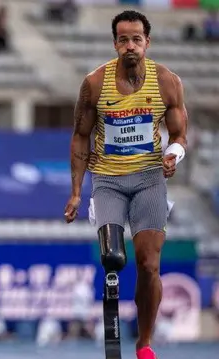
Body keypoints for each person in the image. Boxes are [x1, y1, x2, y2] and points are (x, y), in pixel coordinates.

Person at [64, 10, 187, 359]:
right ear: (114, 43)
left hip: (149, 178)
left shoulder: (166, 81)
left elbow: (180, 134)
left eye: (136, 39)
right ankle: (112, 311)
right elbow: (80, 137)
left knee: (149, 264)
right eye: (123, 39)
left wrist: (174, 154)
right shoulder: (93, 83)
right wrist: (75, 192)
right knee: (113, 257)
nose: (130, 45)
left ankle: (144, 342)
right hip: (108, 181)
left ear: (147, 42)